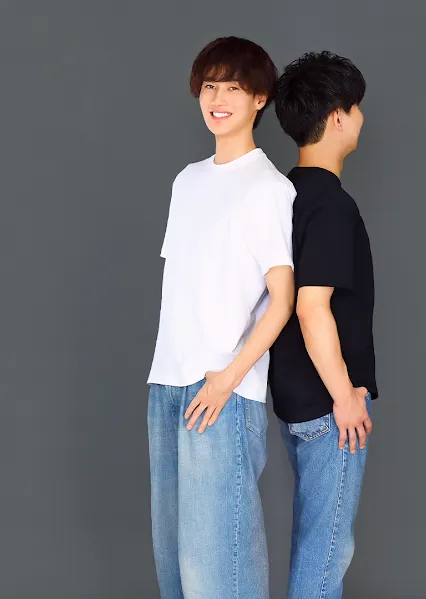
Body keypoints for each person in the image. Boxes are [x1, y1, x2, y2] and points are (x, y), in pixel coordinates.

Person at [147, 36, 296, 599]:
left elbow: (282, 300)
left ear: (259, 99)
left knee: (217, 573)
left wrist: (227, 379)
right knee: (175, 567)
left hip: (222, 390)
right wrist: (171, 379)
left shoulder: (269, 188)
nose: (217, 99)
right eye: (209, 86)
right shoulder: (187, 181)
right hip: (167, 384)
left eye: (233, 87)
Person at [270, 51, 379, 599]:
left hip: (291, 395)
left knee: (315, 543)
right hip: (328, 404)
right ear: (338, 117)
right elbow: (311, 307)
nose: (361, 119)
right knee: (326, 552)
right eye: (356, 108)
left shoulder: (280, 196)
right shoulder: (332, 205)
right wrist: (345, 396)